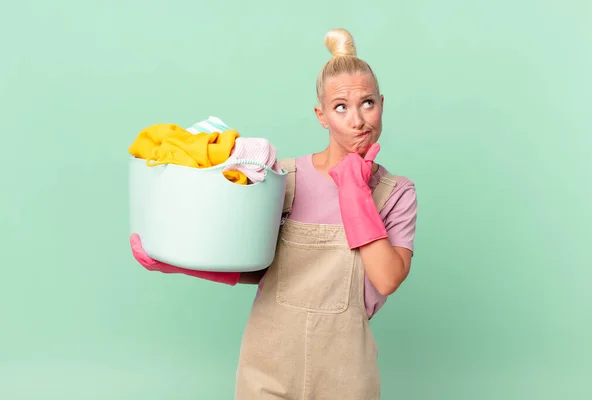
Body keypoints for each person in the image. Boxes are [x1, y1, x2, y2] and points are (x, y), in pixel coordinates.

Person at [130, 28, 418, 400]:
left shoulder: (396, 193)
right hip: (269, 363)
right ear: (322, 115)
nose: (358, 119)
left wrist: (356, 193)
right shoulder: (282, 179)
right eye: (341, 107)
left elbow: (387, 278)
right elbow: (263, 266)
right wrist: (176, 263)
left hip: (346, 371)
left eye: (367, 103)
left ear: (382, 103)